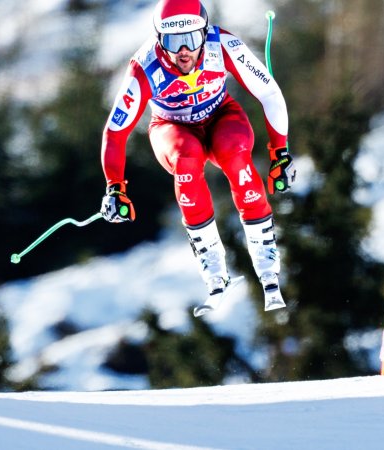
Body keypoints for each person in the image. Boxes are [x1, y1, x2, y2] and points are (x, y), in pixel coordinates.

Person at [99, 0, 296, 313]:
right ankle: (213, 266)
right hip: (172, 128)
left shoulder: (223, 44)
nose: (183, 52)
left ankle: (265, 256)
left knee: (235, 151)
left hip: (220, 116)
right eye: (172, 42)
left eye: (191, 40)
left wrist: (280, 153)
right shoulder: (144, 66)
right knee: (186, 157)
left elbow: (269, 92)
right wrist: (115, 187)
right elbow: (115, 131)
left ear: (204, 33)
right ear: (158, 40)